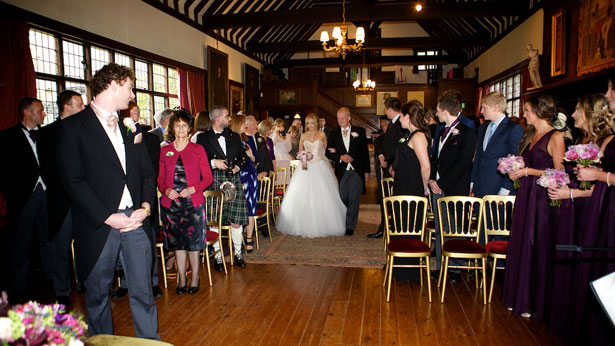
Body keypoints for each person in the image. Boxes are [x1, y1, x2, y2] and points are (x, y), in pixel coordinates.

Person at [57, 63, 159, 338]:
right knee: (98, 296)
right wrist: (107, 216)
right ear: (113, 84)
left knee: (143, 292)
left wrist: (146, 208)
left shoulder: (132, 128)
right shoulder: (74, 127)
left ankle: (150, 342)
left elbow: (148, 174)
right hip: (99, 225)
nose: (132, 93)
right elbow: (73, 182)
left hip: (136, 221)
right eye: (129, 86)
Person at [546, 94, 613, 341]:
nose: (572, 115)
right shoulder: (584, 140)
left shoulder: (608, 142)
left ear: (589, 113)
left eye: (576, 110)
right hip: (574, 206)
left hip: (591, 210)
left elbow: (605, 186)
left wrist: (571, 191)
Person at [502, 95, 565, 321]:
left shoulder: (555, 136)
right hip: (526, 195)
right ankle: (519, 297)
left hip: (541, 199)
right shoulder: (530, 134)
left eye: (527, 110)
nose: (525, 114)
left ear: (539, 110)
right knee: (521, 242)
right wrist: (515, 167)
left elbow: (560, 173)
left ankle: (534, 301)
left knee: (534, 244)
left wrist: (527, 171)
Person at [0, 97, 52, 304]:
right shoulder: (7, 137)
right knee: (21, 244)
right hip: (24, 198)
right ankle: (20, 287)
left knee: (49, 239)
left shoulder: (45, 135)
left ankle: (51, 279)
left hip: (47, 193)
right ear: (28, 112)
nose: (43, 114)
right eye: (40, 110)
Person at [37, 90, 84, 306]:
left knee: (86, 245)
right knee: (62, 249)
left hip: (85, 200)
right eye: (80, 105)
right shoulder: (47, 134)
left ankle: (85, 283)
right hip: (62, 200)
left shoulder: (85, 130)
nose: (83, 109)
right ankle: (63, 292)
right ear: (67, 107)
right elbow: (48, 169)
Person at [158, 109, 212, 295]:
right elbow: (159, 178)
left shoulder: (198, 150)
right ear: (172, 127)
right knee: (178, 244)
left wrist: (193, 189)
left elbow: (208, 178)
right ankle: (182, 278)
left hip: (193, 204)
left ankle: (195, 277)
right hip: (171, 206)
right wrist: (166, 190)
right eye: (177, 125)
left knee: (194, 244)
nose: (181, 128)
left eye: (184, 125)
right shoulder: (164, 150)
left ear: (190, 128)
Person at [428, 92, 477, 284]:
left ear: (446, 111)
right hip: (437, 186)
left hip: (454, 187)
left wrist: (442, 183)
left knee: (455, 229)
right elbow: (436, 158)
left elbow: (463, 164)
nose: (436, 114)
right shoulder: (441, 131)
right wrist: (432, 179)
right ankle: (442, 267)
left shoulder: (467, 132)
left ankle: (455, 268)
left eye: (438, 111)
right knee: (441, 229)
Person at [276, 113, 346, 237]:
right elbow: (301, 151)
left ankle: (324, 223)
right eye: (308, 123)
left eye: (312, 123)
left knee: (322, 196)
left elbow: (325, 151)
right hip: (305, 167)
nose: (310, 125)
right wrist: (303, 160)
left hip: (320, 166)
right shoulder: (303, 136)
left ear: (316, 123)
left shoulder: (322, 135)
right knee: (303, 195)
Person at [196, 106, 249, 270]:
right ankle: (218, 256)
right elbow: (198, 161)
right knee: (215, 220)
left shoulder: (234, 136)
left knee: (236, 220)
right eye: (227, 116)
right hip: (214, 180)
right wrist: (213, 163)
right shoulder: (203, 138)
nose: (230, 119)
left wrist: (238, 168)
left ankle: (238, 253)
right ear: (217, 118)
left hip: (233, 180)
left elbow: (243, 158)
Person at [389, 100, 432, 282]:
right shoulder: (411, 135)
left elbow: (426, 166)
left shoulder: (418, 136)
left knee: (409, 228)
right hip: (404, 188)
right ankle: (400, 266)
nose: (399, 120)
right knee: (402, 227)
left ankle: (409, 271)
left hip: (412, 189)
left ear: (407, 116)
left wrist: (423, 187)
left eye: (401, 117)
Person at [326, 107, 371, 236]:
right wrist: (340, 157)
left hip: (357, 170)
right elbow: (328, 152)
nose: (340, 120)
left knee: (354, 198)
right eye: (338, 118)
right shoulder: (333, 133)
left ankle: (350, 226)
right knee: (343, 196)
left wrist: (367, 171)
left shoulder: (359, 131)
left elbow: (364, 153)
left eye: (342, 117)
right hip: (342, 170)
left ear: (349, 118)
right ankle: (342, 218)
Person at [470, 91, 524, 198]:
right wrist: (472, 184)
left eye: (484, 108)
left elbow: (515, 161)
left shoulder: (513, 128)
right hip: (479, 187)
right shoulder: (483, 128)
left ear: (495, 107)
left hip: (498, 187)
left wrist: (504, 191)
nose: (481, 111)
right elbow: (479, 158)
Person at [369, 97, 406, 239]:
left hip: (393, 169)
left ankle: (391, 228)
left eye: (386, 109)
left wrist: (390, 162)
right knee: (386, 199)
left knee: (392, 200)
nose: (385, 111)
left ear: (390, 109)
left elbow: (400, 147)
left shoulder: (400, 124)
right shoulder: (392, 124)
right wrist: (381, 156)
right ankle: (384, 226)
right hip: (386, 166)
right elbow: (386, 143)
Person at [232, 115, 258, 253]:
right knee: (237, 209)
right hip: (238, 177)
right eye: (243, 124)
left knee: (250, 208)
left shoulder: (246, 140)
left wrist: (251, 156)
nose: (245, 127)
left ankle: (249, 239)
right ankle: (237, 239)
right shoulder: (231, 141)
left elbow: (255, 159)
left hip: (249, 177)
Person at [272, 118, 292, 184]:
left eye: (281, 126)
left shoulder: (288, 136)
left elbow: (289, 148)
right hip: (276, 159)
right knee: (277, 181)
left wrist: (284, 138)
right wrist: (275, 134)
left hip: (285, 159)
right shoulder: (272, 135)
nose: (280, 128)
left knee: (285, 180)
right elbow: (272, 144)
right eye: (278, 126)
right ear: (274, 127)